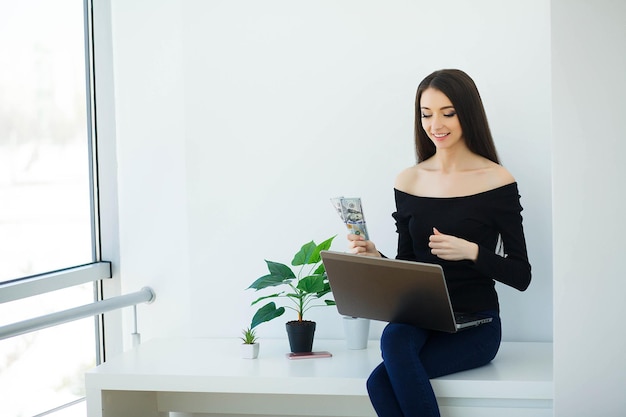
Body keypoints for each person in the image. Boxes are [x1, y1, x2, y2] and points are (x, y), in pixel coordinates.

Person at [347, 69, 531, 417]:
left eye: (447, 113)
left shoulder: (497, 180)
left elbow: (521, 275)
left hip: (476, 324)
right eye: (426, 114)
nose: (436, 125)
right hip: (421, 318)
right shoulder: (408, 180)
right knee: (393, 339)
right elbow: (408, 265)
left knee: (379, 382)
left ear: (468, 113)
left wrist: (472, 252)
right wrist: (376, 257)